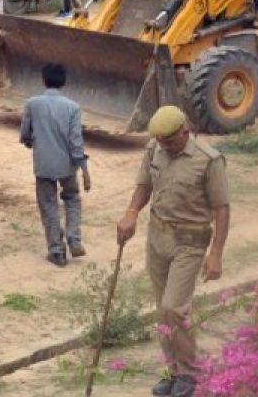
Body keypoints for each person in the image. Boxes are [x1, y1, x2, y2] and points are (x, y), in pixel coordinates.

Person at [116, 106, 231, 397]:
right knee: (162, 310)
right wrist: (131, 213)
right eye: (160, 141)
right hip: (157, 236)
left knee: (174, 307)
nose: (164, 146)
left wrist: (215, 253)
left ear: (185, 132)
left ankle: (190, 372)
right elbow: (144, 185)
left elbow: (221, 209)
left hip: (190, 240)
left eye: (169, 141)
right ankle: (173, 370)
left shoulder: (208, 160)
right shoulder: (154, 148)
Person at [20, 63, 90, 267]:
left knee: (48, 205)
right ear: (64, 81)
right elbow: (76, 141)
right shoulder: (73, 107)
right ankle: (74, 238)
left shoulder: (32, 104)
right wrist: (84, 169)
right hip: (67, 165)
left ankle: (57, 251)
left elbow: (25, 133)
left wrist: (28, 140)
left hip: (43, 165)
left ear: (43, 79)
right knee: (72, 198)